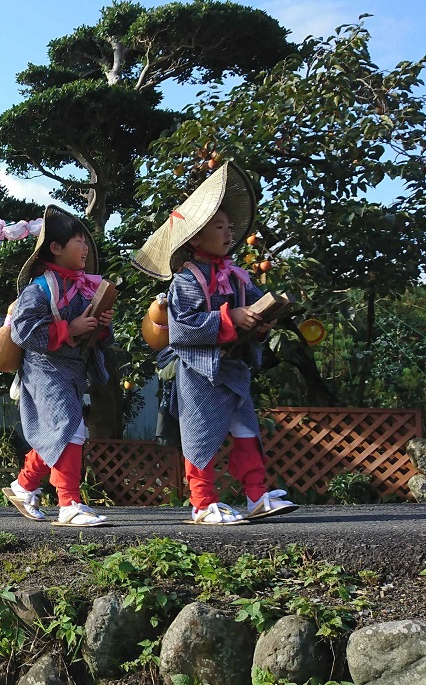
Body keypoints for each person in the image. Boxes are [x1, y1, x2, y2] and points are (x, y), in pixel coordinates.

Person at [131, 161, 298, 525]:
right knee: (200, 433)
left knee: (246, 431)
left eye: (229, 226)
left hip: (232, 366)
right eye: (218, 227)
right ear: (195, 239)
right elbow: (183, 328)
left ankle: (257, 496)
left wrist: (262, 323)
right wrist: (230, 318)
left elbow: (254, 308)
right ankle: (202, 502)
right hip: (199, 372)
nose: (228, 233)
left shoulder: (238, 276)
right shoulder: (186, 280)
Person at [3, 206, 113, 527]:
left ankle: (23, 486)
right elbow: (21, 330)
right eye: (78, 241)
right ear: (56, 247)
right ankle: (69, 503)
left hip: (71, 371)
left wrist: (100, 324)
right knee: (70, 428)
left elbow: (96, 334)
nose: (86, 248)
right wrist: (70, 328)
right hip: (44, 370)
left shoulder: (85, 287)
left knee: (60, 430)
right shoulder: (39, 288)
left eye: (85, 242)